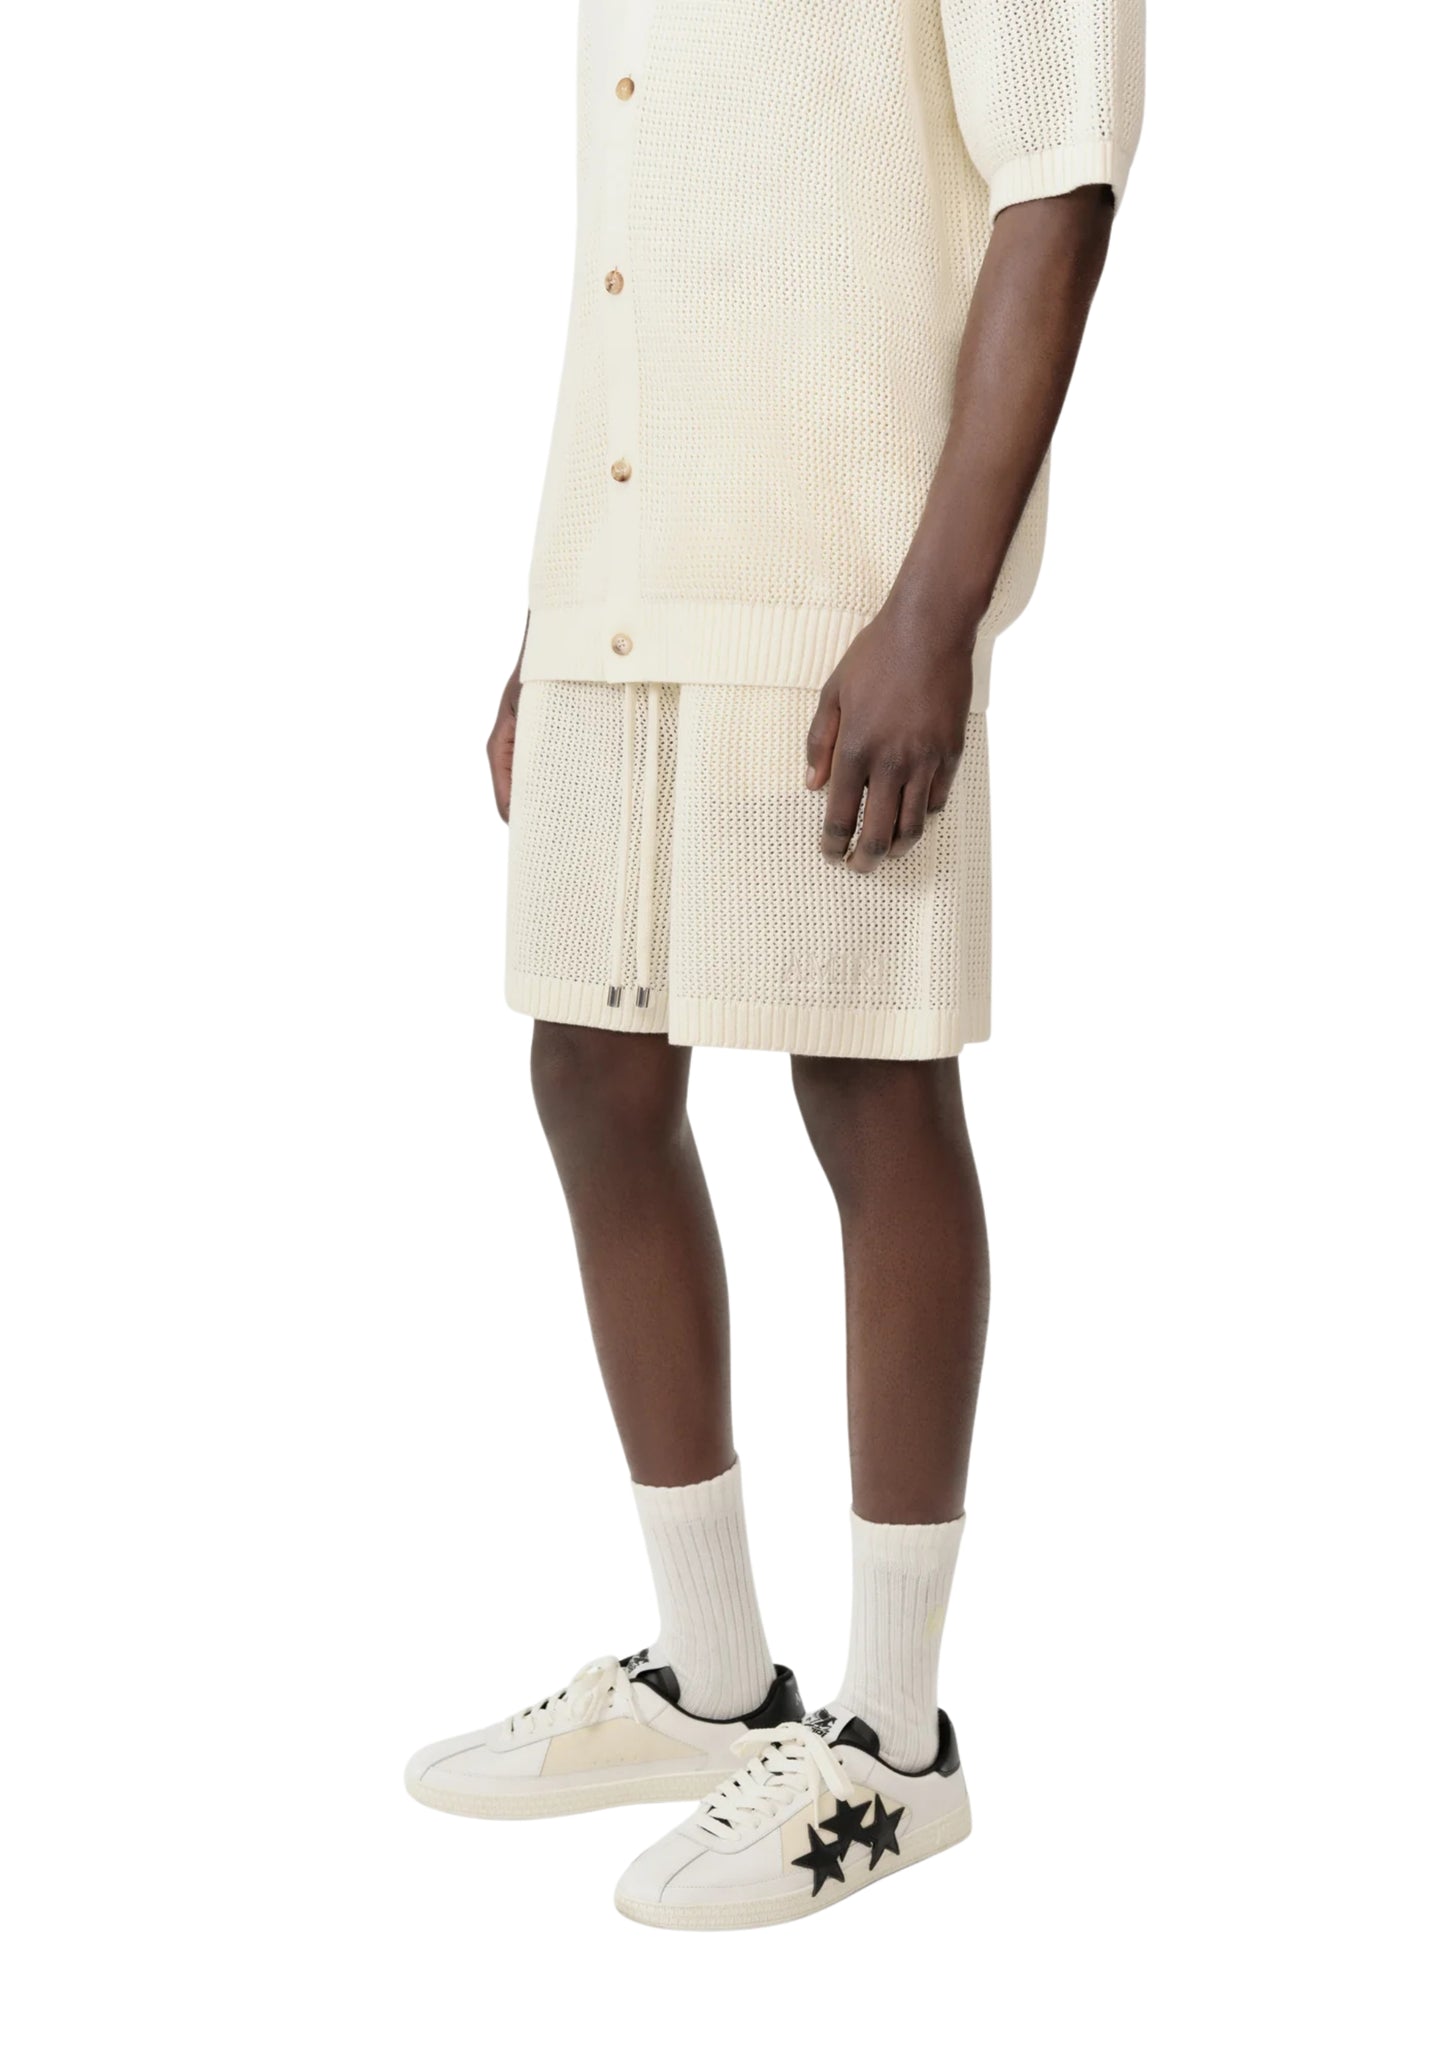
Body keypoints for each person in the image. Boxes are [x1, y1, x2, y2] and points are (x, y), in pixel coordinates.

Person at [406, 0, 1144, 1929]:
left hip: (845, 592)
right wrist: (553, 612)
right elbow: (650, 233)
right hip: (620, 577)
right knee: (589, 1073)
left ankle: (894, 1743)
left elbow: (1059, 181)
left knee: (871, 1079)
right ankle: (716, 1681)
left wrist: (937, 610)